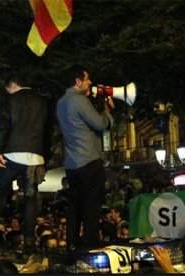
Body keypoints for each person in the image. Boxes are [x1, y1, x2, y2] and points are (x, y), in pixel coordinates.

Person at [0, 73, 51, 255]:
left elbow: (4, 126)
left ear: (12, 85)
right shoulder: (43, 102)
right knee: (30, 200)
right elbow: (48, 132)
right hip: (35, 158)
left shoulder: (10, 100)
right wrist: (45, 157)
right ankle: (29, 243)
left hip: (11, 155)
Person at [56, 65, 114, 255]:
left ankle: (72, 244)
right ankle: (90, 245)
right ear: (78, 81)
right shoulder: (79, 100)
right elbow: (100, 123)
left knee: (75, 206)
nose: (90, 82)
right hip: (89, 160)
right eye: (87, 79)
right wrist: (106, 111)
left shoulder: (61, 102)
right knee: (92, 204)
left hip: (72, 163)